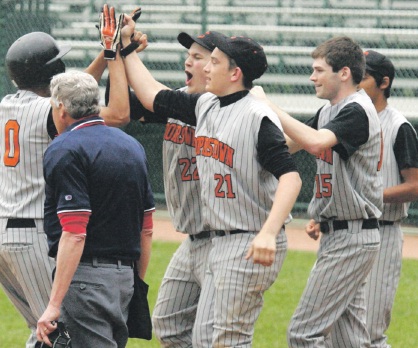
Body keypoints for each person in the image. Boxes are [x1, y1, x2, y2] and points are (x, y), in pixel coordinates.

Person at [120, 12, 302, 347]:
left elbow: (291, 177)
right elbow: (151, 95)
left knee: (224, 339)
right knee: (172, 325)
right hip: (214, 239)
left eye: (213, 61)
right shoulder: (206, 105)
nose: (203, 67)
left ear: (235, 73)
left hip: (248, 239)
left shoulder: (256, 116)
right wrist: (125, 49)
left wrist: (268, 232)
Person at [0, 15, 129, 347]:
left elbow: (73, 98)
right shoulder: (45, 110)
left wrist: (105, 51)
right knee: (60, 330)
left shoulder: (8, 106)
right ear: (51, 73)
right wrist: (115, 55)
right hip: (33, 235)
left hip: (8, 233)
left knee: (44, 331)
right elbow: (116, 114)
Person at [252, 36, 383, 347]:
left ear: (344, 73)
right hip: (340, 232)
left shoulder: (357, 109)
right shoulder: (330, 112)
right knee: (348, 338)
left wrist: (268, 103)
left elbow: (314, 142)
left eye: (319, 70)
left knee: (304, 333)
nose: (312, 77)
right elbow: (291, 143)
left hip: (353, 235)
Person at [35, 70, 155, 347]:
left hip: (86, 283)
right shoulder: (132, 146)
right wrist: (134, 282)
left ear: (61, 108)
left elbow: (75, 232)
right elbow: (146, 228)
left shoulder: (64, 148)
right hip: (124, 280)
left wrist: (53, 304)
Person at [359, 50, 418, 348]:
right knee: (336, 327)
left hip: (382, 232)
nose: (356, 81)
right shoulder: (348, 119)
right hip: (346, 234)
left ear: (384, 82)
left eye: (364, 76)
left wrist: (368, 197)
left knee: (370, 332)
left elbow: (415, 185)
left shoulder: (398, 126)